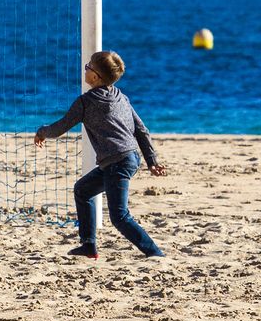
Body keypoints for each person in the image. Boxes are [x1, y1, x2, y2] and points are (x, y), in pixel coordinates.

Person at [34, 50, 167, 258]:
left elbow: (59, 128)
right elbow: (142, 130)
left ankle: (155, 254)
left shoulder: (85, 102)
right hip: (128, 158)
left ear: (95, 77)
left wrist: (42, 132)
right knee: (82, 190)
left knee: (120, 217)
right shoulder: (121, 96)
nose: (85, 69)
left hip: (118, 162)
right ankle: (88, 245)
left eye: (88, 67)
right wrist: (151, 161)